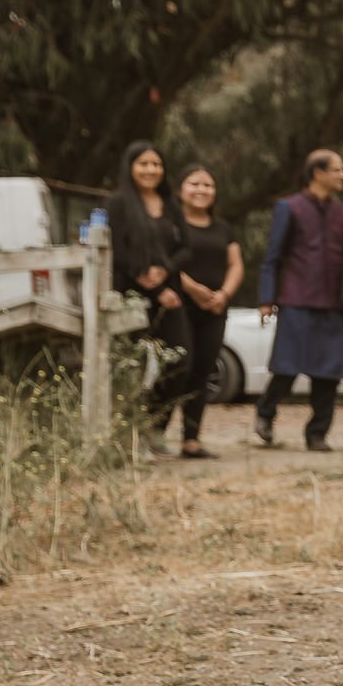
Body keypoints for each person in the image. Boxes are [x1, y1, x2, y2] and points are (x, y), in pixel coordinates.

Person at [254, 149, 343, 451]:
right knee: (286, 367)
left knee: (328, 373)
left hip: (333, 303)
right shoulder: (289, 208)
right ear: (317, 173)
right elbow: (272, 257)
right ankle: (265, 413)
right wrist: (267, 299)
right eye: (337, 170)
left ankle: (317, 434)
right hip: (296, 300)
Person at [105, 141, 190, 455]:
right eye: (143, 164)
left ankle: (156, 427)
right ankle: (127, 434)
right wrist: (149, 283)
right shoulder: (117, 204)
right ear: (130, 167)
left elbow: (186, 248)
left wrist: (165, 272)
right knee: (132, 365)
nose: (150, 170)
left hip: (170, 293)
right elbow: (116, 250)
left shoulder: (169, 204)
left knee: (181, 361)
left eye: (156, 164)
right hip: (131, 294)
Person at [169, 165, 242, 459]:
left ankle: (191, 440)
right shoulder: (171, 225)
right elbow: (166, 261)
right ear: (180, 190)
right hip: (180, 306)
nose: (202, 190)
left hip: (215, 309)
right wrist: (193, 289)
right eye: (194, 184)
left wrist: (223, 294)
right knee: (177, 369)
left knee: (202, 372)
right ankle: (153, 433)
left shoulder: (223, 228)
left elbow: (235, 264)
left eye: (208, 185)